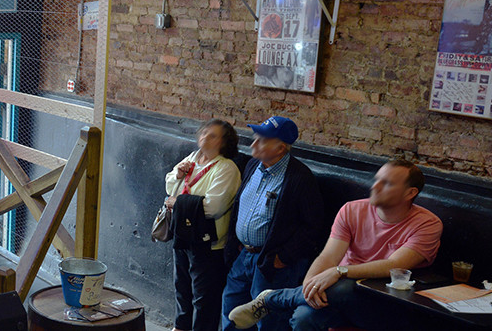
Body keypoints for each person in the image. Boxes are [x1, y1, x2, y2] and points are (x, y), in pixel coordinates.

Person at [228, 159, 442, 330]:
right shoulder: (352, 210)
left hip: (383, 302)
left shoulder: (428, 223)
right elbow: (328, 257)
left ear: (410, 193)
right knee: (304, 317)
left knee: (347, 286)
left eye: (387, 183)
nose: (374, 187)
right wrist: (311, 286)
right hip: (334, 291)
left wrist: (340, 272)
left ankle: (274, 298)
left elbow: (394, 265)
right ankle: (290, 296)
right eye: (376, 179)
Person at [221, 116, 326, 331]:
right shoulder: (252, 166)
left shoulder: (299, 178)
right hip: (245, 256)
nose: (253, 144)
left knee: (269, 321)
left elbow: (313, 227)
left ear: (280, 148)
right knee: (231, 311)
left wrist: (283, 257)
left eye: (261, 140)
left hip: (273, 263)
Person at [163, 119, 242, 331]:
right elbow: (170, 184)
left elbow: (213, 207)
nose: (205, 137)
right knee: (182, 288)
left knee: (204, 298)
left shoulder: (227, 169)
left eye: (213, 135)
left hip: (207, 243)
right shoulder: (192, 158)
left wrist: (177, 203)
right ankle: (181, 327)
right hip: (183, 235)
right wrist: (178, 174)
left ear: (224, 143)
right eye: (205, 132)